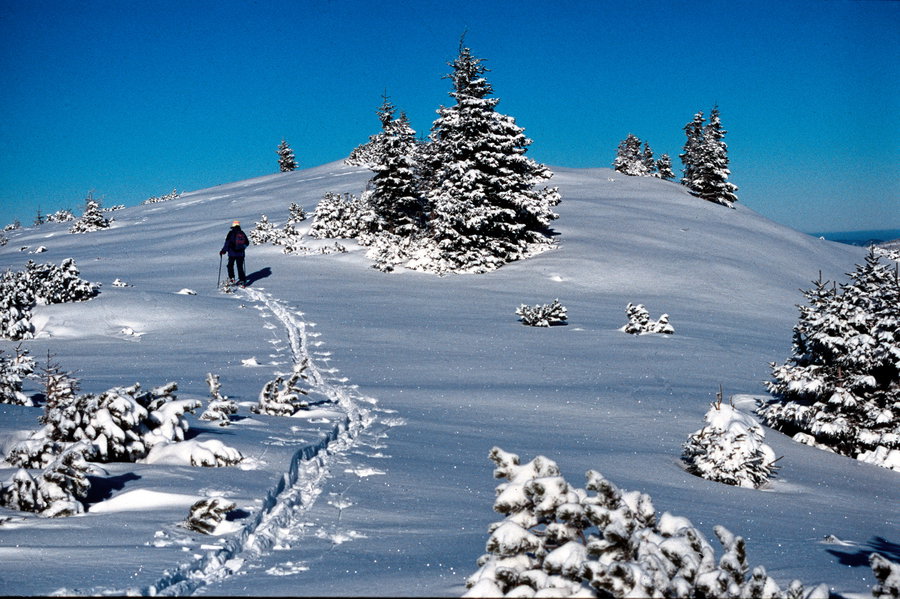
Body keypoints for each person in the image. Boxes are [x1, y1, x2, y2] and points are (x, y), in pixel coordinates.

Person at [220, 220, 249, 285]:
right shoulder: (242, 233)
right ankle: (242, 280)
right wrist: (242, 248)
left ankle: (232, 278)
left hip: (232, 253)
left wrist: (223, 250)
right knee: (240, 267)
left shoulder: (230, 233)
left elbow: (227, 243)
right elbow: (247, 242)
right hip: (240, 254)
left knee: (230, 265)